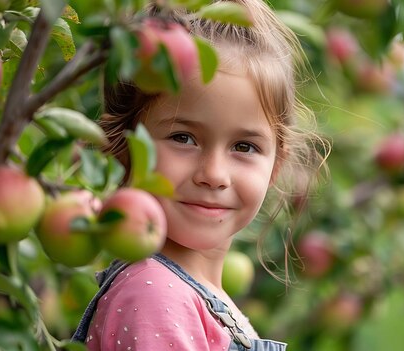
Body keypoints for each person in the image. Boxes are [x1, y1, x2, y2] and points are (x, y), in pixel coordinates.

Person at [72, 0, 329, 349]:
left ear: (275, 166)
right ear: (123, 146)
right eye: (183, 138)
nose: (214, 174)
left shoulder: (199, 299)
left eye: (244, 146)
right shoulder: (154, 295)